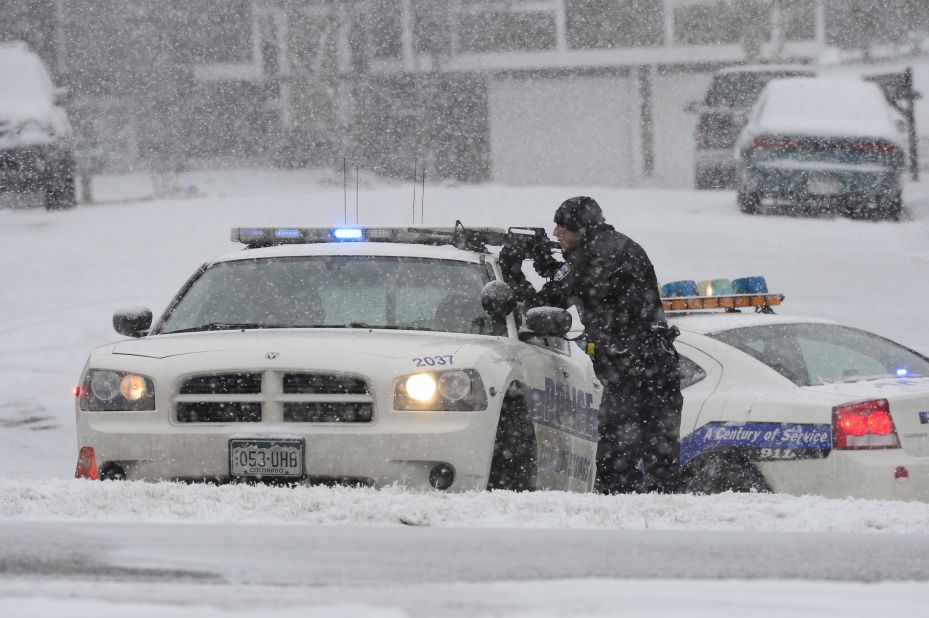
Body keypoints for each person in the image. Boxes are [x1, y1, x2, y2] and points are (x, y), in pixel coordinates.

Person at [499, 196, 683, 493]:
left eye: (562, 225)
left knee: (615, 468)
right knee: (661, 463)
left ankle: (622, 529)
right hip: (656, 369)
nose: (556, 231)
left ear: (580, 229)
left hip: (633, 374)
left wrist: (514, 272)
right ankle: (667, 524)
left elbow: (545, 301)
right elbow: (580, 282)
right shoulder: (616, 246)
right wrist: (549, 264)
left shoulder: (592, 257)